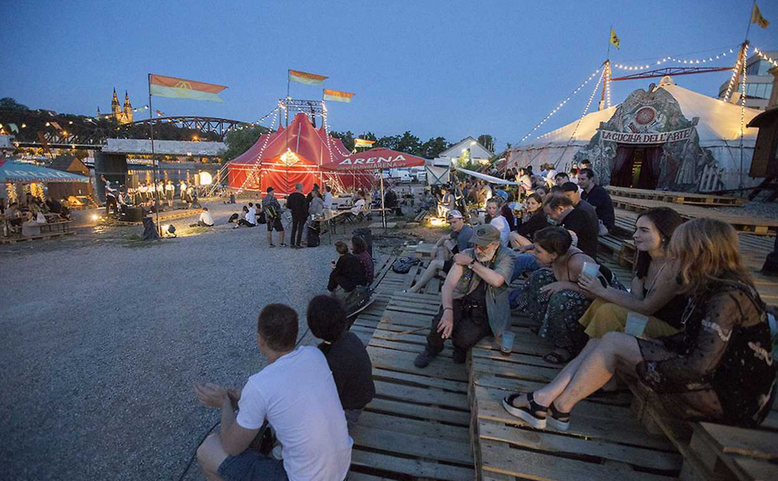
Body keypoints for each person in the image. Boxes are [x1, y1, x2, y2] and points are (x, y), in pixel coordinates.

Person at [502, 218, 776, 431]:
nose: (675, 254)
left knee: (613, 341)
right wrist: (640, 350)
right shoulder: (712, 284)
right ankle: (550, 400)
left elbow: (698, 366)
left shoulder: (727, 297)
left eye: (680, 250)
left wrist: (642, 365)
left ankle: (554, 402)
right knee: (606, 340)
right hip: (712, 378)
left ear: (699, 251)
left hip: (733, 399)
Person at [195, 304, 352, 481]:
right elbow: (286, 400)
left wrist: (224, 403)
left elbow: (232, 447)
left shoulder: (259, 385)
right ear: (295, 334)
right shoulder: (314, 355)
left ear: (260, 340)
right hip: (340, 472)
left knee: (208, 449)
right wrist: (244, 400)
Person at [510, 227, 624, 364]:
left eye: (538, 251)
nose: (534, 254)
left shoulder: (579, 263)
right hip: (581, 290)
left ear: (553, 254)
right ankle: (548, 327)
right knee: (539, 277)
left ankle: (566, 347)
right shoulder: (558, 254)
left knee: (562, 299)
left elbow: (601, 291)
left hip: (602, 301)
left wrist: (566, 285)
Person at [414, 224, 516, 367]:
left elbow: (497, 280)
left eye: (483, 247)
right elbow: (448, 285)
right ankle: (432, 349)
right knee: (440, 325)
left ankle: (460, 347)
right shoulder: (468, 254)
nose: (478, 250)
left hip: (487, 306)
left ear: (495, 245)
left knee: (465, 337)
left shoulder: (506, 256)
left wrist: (471, 263)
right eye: (475, 245)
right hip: (461, 300)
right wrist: (448, 311)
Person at [577, 208, 686, 339]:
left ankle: (598, 353)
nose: (635, 235)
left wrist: (602, 290)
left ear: (664, 235)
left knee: (608, 311)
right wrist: (599, 288)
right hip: (644, 318)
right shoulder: (644, 258)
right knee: (600, 303)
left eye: (644, 230)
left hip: (669, 329)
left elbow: (646, 308)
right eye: (636, 229)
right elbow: (636, 297)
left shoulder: (674, 266)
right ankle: (592, 347)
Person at [306, 296, 376, 433]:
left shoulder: (334, 361)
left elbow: (330, 400)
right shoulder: (349, 336)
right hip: (360, 396)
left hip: (350, 408)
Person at [410, 210, 474, 294]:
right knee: (446, 242)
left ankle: (414, 289)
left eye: (454, 222)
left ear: (461, 220)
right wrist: (435, 247)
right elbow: (444, 238)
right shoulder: (461, 229)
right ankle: (444, 271)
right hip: (464, 259)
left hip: (467, 269)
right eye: (450, 223)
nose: (452, 225)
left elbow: (461, 260)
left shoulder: (464, 235)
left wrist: (450, 261)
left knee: (435, 263)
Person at [544, 194, 599, 261]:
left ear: (560, 209)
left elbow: (565, 241)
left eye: (550, 214)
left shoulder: (578, 216)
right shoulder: (571, 216)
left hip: (581, 260)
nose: (550, 218)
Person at [328, 241, 368, 306]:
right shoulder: (353, 257)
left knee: (333, 275)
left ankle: (330, 295)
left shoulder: (342, 259)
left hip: (352, 285)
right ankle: (332, 293)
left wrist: (334, 268)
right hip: (361, 281)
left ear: (337, 251)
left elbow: (337, 272)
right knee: (335, 274)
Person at [579, 168, 614, 235]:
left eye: (583, 179)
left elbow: (589, 212)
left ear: (591, 179)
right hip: (593, 223)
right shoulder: (584, 193)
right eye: (579, 179)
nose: (579, 182)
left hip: (603, 226)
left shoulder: (598, 191)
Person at [287, 183, 308, 249]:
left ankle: (292, 243)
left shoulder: (291, 195)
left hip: (294, 213)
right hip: (301, 214)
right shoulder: (302, 196)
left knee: (294, 228)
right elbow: (305, 207)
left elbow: (288, 206)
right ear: (300, 188)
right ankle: (298, 243)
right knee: (300, 229)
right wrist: (306, 214)